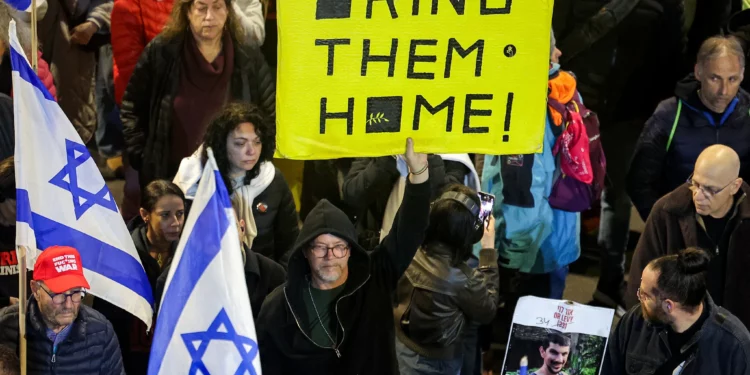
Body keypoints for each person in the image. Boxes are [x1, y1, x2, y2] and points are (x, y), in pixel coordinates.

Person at [256, 138, 430, 375]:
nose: (330, 256)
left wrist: (419, 174)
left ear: (350, 250)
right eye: (320, 247)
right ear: (306, 251)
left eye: (339, 246)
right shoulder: (278, 307)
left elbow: (410, 229)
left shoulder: (375, 277)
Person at [121, 0, 275, 189]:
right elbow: (132, 108)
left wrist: (256, 164)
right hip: (171, 182)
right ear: (187, 12)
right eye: (202, 8)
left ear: (228, 11)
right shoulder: (162, 53)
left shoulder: (248, 57)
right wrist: (144, 158)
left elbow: (268, 117)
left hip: (233, 184)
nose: (209, 17)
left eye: (217, 7)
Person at [480, 30, 580, 301]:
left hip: (529, 252)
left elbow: (522, 190)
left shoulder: (521, 104)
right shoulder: (563, 91)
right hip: (556, 237)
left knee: (523, 337)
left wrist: (511, 256)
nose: (558, 53)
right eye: (553, 47)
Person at [627, 35, 750, 223]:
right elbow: (639, 182)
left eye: (732, 79)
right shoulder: (669, 114)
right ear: (698, 72)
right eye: (715, 78)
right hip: (680, 228)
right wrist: (665, 227)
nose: (724, 91)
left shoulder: (748, 113)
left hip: (735, 232)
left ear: (742, 74)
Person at [626, 145, 750, 328]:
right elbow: (641, 279)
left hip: (738, 333)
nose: (698, 196)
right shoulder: (667, 212)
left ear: (734, 186)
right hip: (679, 332)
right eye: (696, 183)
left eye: (710, 190)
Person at [173, 102, 298, 265]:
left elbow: (290, 243)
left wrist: (276, 282)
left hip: (263, 280)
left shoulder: (271, 179)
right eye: (240, 143)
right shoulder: (192, 182)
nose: (251, 151)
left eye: (257, 142)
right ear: (221, 144)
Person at [393, 184, 499, 375]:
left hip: (401, 345)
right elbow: (487, 310)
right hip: (439, 363)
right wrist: (488, 252)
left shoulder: (409, 249)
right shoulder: (464, 279)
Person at [603, 248, 750, 375]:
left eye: (645, 296)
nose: (639, 298)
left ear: (669, 306)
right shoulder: (635, 321)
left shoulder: (733, 345)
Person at [93, 179, 186, 374]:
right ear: (145, 214)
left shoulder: (189, 253)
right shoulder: (122, 256)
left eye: (180, 214)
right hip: (132, 358)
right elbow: (106, 320)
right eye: (165, 216)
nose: (175, 223)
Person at [0, 246, 125, 374]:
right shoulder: (6, 324)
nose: (69, 305)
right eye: (58, 294)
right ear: (36, 289)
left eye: (76, 292)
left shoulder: (101, 332)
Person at [342, 154, 475, 251]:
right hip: (380, 249)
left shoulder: (452, 152)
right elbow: (353, 193)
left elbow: (448, 203)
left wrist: (427, 159)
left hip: (430, 258)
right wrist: (389, 158)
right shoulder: (379, 141)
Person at [38, 0, 112, 143]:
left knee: (72, 108)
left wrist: (93, 23)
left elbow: (105, 3)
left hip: (73, 43)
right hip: (31, 41)